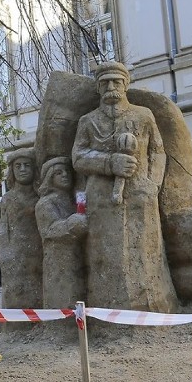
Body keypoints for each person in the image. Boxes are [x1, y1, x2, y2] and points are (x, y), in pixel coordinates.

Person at [72, 61, 178, 312]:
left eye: (116, 81)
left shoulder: (143, 115)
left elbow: (158, 152)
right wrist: (109, 163)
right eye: (105, 82)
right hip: (102, 199)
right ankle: (107, 312)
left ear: (126, 84)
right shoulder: (88, 121)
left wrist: (153, 184)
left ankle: (153, 309)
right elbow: (77, 157)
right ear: (98, 88)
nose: (111, 87)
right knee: (105, 257)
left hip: (140, 195)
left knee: (144, 253)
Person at [35, 157, 88, 309]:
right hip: (58, 258)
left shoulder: (73, 199)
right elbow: (49, 229)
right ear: (50, 177)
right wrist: (71, 223)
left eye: (66, 171)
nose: (64, 175)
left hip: (76, 254)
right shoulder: (46, 203)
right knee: (63, 293)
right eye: (58, 172)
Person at [0, 147, 43, 310]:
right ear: (12, 171)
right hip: (15, 256)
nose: (22, 169)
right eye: (18, 166)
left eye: (27, 165)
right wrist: (6, 257)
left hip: (38, 256)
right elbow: (3, 231)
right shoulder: (8, 199)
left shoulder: (41, 197)